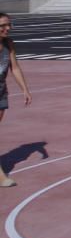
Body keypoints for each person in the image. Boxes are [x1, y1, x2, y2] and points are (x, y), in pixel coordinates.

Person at [0, 13, 32, 187]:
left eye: (9, 25)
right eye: (3, 25)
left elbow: (15, 68)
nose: (7, 28)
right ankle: (1, 176)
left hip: (1, 93)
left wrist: (25, 90)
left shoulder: (8, 44)